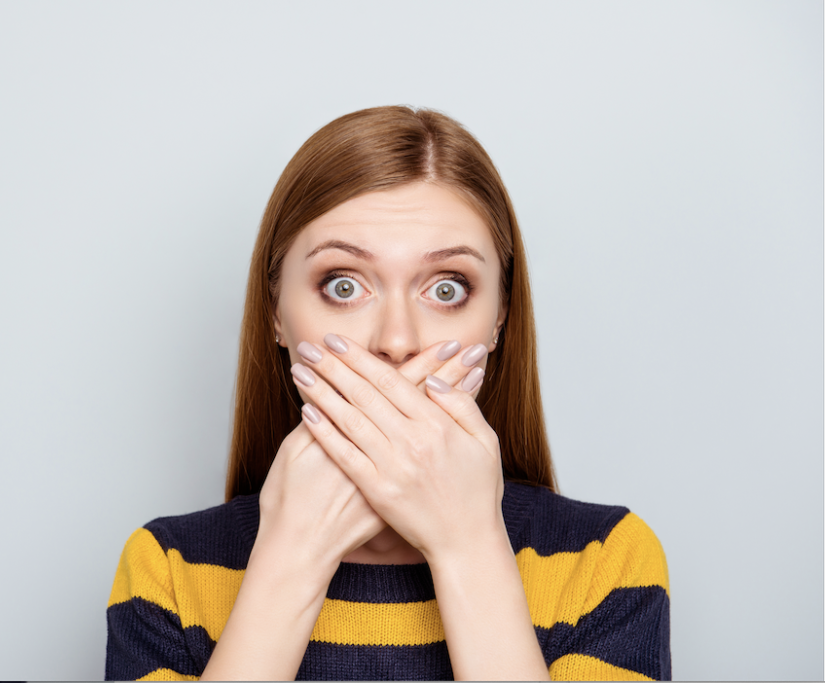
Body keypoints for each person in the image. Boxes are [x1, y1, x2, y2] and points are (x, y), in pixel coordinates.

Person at [104, 106, 670, 681]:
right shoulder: (167, 571)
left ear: (499, 318)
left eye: (447, 288)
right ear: (276, 312)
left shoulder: (606, 563)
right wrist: (293, 560)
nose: (396, 342)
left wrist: (467, 547)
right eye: (343, 285)